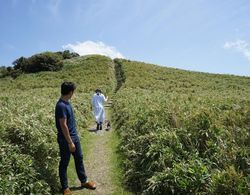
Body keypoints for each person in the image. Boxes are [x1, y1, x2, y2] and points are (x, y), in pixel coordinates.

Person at [55, 82, 96, 195]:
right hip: (66, 140)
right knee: (64, 163)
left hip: (74, 137)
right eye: (73, 91)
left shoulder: (67, 103)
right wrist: (70, 142)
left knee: (79, 158)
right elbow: (63, 125)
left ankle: (84, 181)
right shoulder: (61, 106)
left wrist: (74, 139)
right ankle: (65, 188)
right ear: (70, 92)